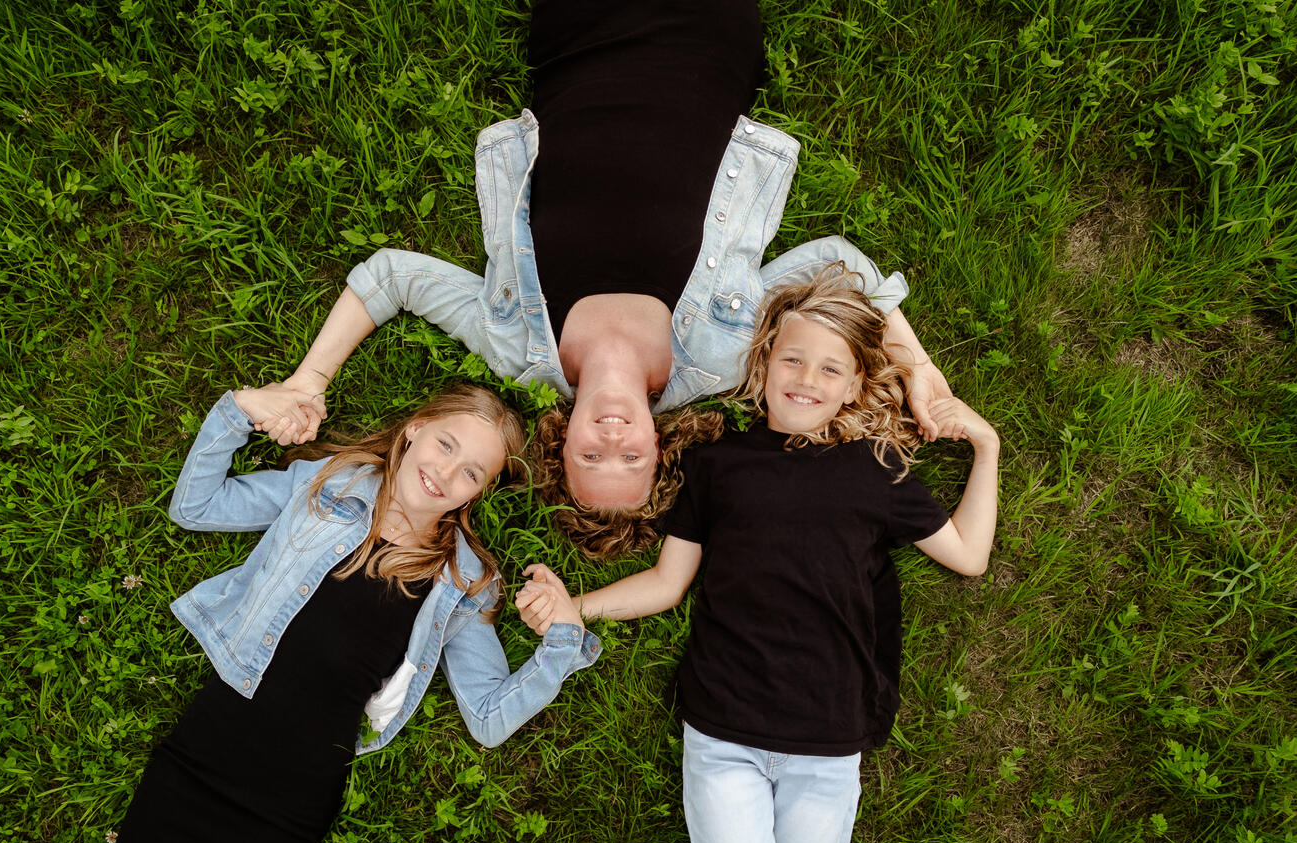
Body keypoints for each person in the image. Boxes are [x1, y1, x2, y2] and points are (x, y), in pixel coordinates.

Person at [244, 0, 954, 559]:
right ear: (659, 443)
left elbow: (391, 277)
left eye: (592, 454)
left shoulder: (514, 341)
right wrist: (917, 367)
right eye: (632, 454)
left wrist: (308, 382)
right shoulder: (724, 354)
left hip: (575, 41)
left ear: (559, 441)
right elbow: (841, 263)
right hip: (706, 42)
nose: (613, 433)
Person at [514, 263, 1000, 843]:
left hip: (830, 734)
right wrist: (575, 606)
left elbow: (968, 556)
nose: (806, 380)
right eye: (793, 360)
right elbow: (666, 583)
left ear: (855, 387)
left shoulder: (876, 470)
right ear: (766, 363)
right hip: (722, 727)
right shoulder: (717, 465)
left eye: (830, 370)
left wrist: (987, 448)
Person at [98, 384, 598, 843]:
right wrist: (241, 408)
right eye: (445, 444)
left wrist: (563, 640)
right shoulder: (328, 483)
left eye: (471, 471)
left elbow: (489, 718)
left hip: (288, 803)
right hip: (202, 758)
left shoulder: (463, 581)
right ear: (415, 430)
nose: (446, 473)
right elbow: (196, 506)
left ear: (478, 492)